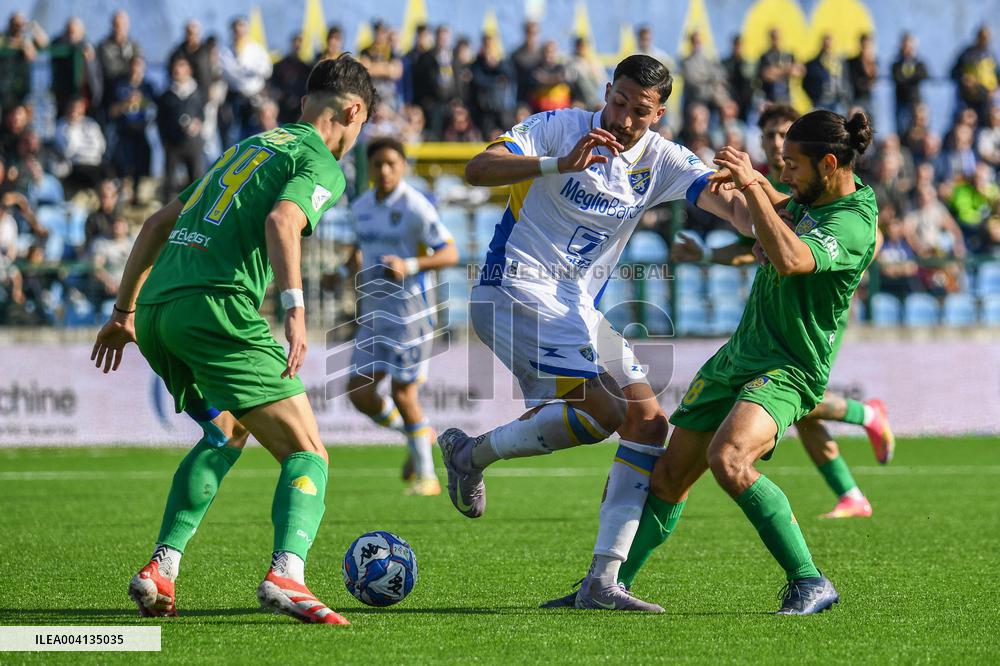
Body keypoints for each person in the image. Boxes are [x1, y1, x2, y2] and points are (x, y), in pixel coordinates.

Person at [445, 54, 752, 612]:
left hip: (577, 308)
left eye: (639, 111)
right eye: (617, 102)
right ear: (607, 92)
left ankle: (601, 582)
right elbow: (477, 168)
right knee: (607, 412)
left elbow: (732, 207)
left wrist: (763, 202)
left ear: (658, 114)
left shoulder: (662, 160)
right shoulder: (560, 127)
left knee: (649, 421)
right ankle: (472, 457)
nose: (623, 119)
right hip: (513, 287)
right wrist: (555, 164)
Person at [548, 109, 878, 615]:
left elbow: (790, 259)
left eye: (792, 164)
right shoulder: (815, 197)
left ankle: (810, 581)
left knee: (729, 459)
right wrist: (754, 182)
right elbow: (786, 210)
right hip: (738, 357)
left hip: (790, 367)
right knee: (668, 479)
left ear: (829, 163)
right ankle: (606, 591)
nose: (783, 172)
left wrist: (751, 186)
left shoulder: (855, 223)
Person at [90, 54, 376, 625]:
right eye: (361, 126)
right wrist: (295, 312)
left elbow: (154, 224)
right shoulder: (318, 159)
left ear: (302, 105)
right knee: (307, 452)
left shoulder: (247, 147)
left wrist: (124, 311)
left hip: (158, 311)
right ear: (353, 111)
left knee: (226, 431)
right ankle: (287, 575)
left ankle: (162, 568)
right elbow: (282, 222)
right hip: (215, 309)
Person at [671, 103, 895, 518]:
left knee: (789, 410)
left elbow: (842, 244)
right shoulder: (799, 188)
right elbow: (757, 231)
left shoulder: (841, 205)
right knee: (794, 415)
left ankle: (865, 417)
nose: (775, 151)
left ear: (823, 159)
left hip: (811, 316)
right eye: (769, 139)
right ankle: (850, 493)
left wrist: (836, 263)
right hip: (767, 329)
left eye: (782, 140)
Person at [343, 136, 458, 496]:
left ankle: (427, 476)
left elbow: (450, 252)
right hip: (373, 314)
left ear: (403, 166)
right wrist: (346, 267)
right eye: (378, 164)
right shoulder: (360, 206)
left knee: (403, 391)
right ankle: (418, 435)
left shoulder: (415, 206)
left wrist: (410, 264)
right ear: (370, 169)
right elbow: (360, 250)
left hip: (411, 314)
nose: (385, 170)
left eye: (392, 163)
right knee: (359, 392)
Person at [891, 33, 928, 134]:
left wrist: (907, 78)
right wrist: (911, 78)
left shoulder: (919, 63)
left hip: (915, 101)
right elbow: (898, 78)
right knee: (901, 128)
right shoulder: (896, 63)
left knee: (918, 129)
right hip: (901, 100)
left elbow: (923, 74)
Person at [757, 29, 801, 104]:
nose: (775, 40)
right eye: (773, 37)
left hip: (787, 96)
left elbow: (798, 72)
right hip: (770, 96)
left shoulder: (788, 55)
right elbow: (766, 75)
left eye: (777, 37)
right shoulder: (765, 56)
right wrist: (787, 69)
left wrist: (775, 71)